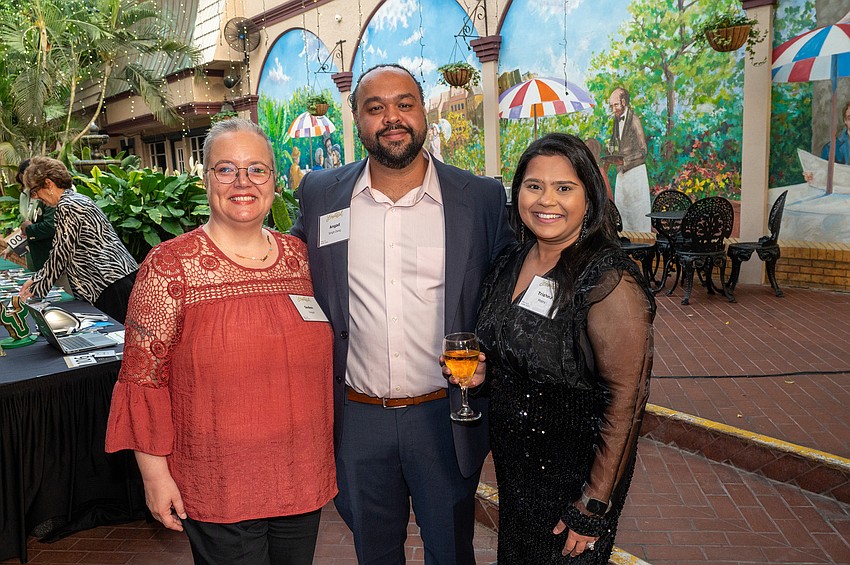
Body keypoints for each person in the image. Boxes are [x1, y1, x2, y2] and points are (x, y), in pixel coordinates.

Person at [291, 63, 513, 564]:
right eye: (375, 108)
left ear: (423, 113)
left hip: (446, 415)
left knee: (452, 552)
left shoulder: (478, 198)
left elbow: (505, 295)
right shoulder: (323, 194)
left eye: (404, 104)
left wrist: (492, 361)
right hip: (358, 418)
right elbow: (292, 273)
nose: (392, 118)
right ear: (357, 119)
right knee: (374, 553)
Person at [105, 118, 336, 565]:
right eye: (226, 169)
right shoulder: (170, 265)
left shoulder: (302, 258)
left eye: (257, 170)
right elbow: (142, 377)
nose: (242, 182)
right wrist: (155, 476)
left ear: (274, 178)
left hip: (301, 474)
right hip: (219, 480)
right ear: (205, 177)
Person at [475, 133, 655, 563]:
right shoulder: (511, 262)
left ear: (589, 197)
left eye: (564, 188)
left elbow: (627, 402)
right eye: (534, 185)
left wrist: (593, 505)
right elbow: (519, 353)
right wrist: (487, 372)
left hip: (572, 482)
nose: (546, 200)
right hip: (517, 474)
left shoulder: (609, 281)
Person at [18, 156, 138, 323]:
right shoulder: (77, 199)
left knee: (121, 338)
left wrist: (36, 284)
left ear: (48, 183)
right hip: (114, 280)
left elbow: (61, 252)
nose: (36, 198)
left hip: (108, 283)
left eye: (34, 191)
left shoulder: (67, 206)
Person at [607, 87, 651, 232]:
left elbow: (643, 150)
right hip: (622, 174)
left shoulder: (634, 120)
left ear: (624, 102)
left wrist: (625, 161)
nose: (614, 109)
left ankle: (642, 245)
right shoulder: (615, 120)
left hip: (635, 173)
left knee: (638, 213)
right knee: (622, 210)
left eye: (616, 105)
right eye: (611, 106)